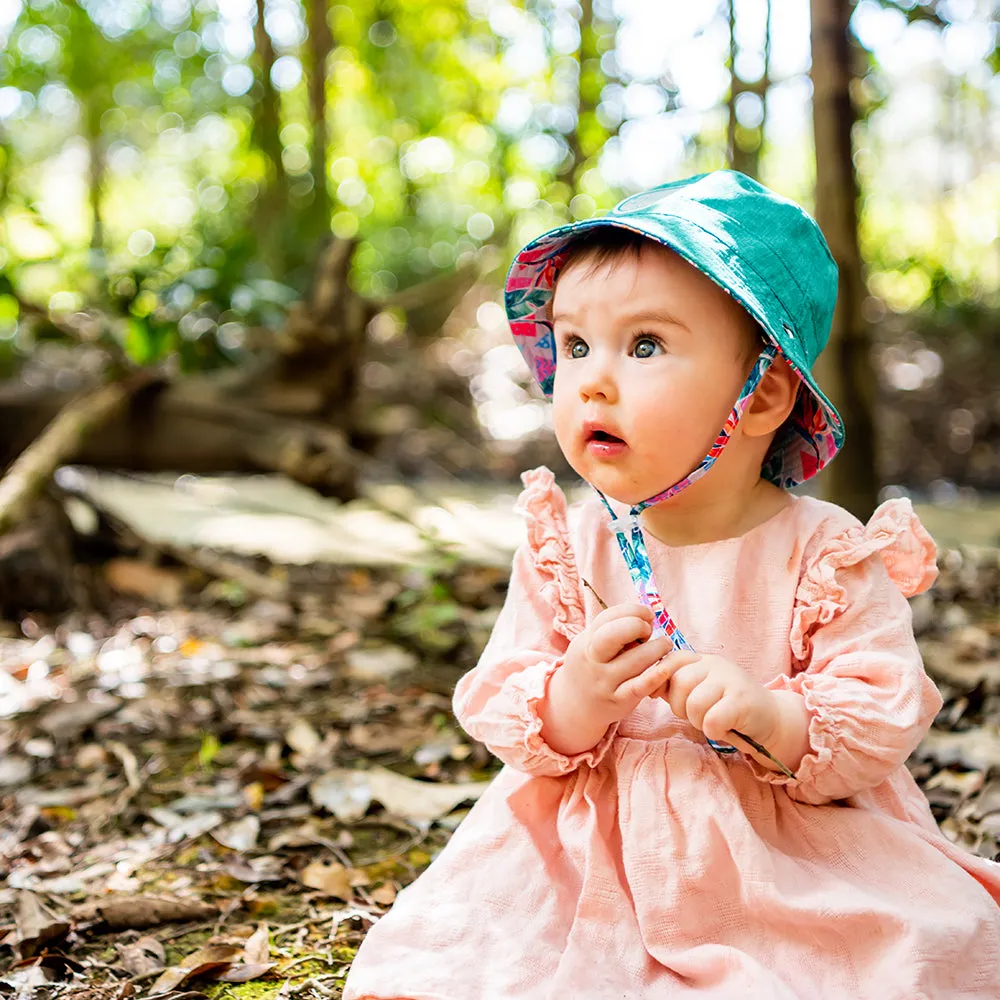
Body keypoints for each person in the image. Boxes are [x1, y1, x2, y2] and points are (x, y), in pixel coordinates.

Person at [343, 171, 1000, 999]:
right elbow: (505, 693)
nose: (592, 380)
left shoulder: (822, 550)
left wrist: (772, 717)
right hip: (586, 849)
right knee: (481, 957)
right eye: (575, 346)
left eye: (644, 345)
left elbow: (881, 709)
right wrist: (575, 696)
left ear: (759, 394)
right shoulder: (570, 541)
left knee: (908, 952)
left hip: (782, 852)